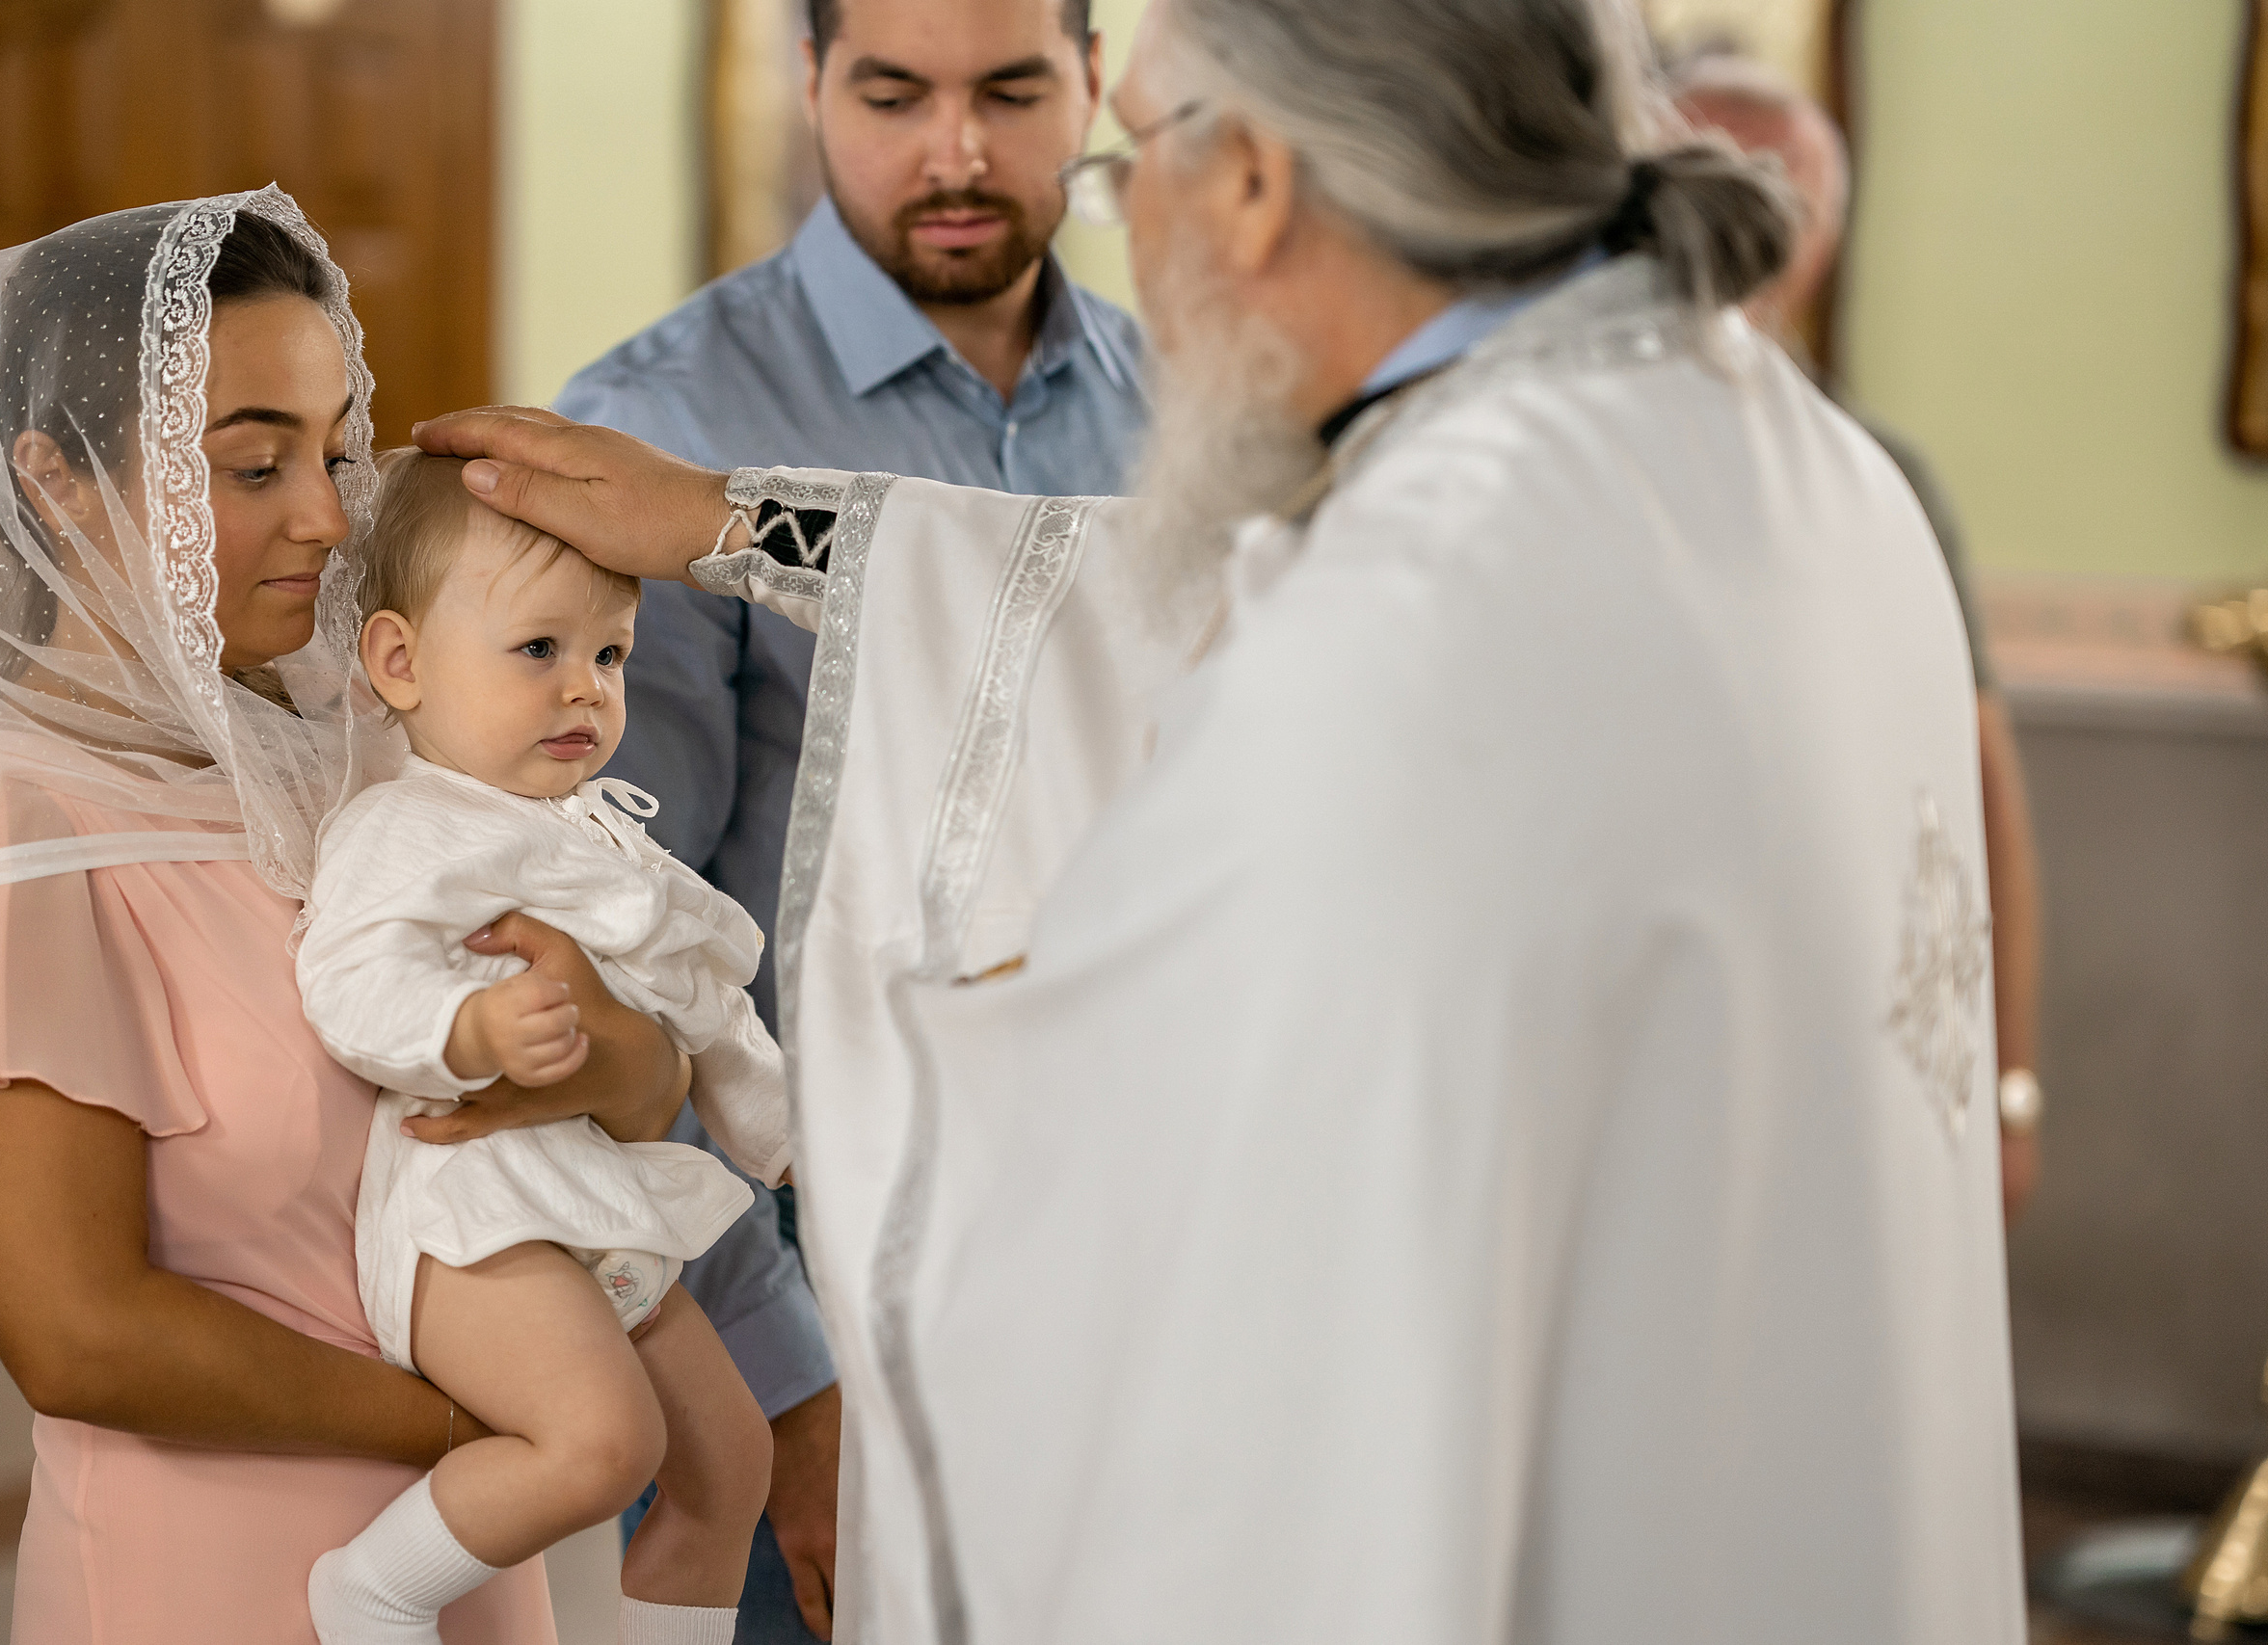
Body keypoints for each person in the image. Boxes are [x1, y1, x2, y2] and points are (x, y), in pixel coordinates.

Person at [420, 0, 2030, 1639]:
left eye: (1131, 165)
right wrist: (730, 521)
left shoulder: (1431, 576)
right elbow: (1154, 597)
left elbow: (1170, 1123)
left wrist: (950, 1044)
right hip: (1765, 1444)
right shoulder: (1790, 454)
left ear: (1251, 178)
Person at [0, 190, 689, 1642]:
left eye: (339, 442)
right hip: (214, 1570)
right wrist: (501, 1428)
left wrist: (613, 1052)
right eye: (252, 461)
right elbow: (79, 1330)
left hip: (466, 1547)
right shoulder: (14, 821)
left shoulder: (363, 747)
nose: (331, 512)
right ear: (58, 479)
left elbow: (624, 1093)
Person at [550, 0, 1144, 1633]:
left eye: (1015, 90)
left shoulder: (1187, 412)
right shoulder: (658, 434)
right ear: (809, 84)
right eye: (894, 92)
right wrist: (785, 1395)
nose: (955, 153)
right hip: (818, 1262)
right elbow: (621, 945)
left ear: (1095, 83)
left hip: (1128, 1246)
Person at [298, 451, 793, 1645]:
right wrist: (465, 1028)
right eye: (540, 651)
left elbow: (708, 999)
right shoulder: (407, 825)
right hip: (474, 1217)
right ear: (398, 662)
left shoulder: (601, 835)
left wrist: (786, 1142)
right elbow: (346, 978)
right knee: (602, 1446)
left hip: (598, 1203)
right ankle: (374, 1590)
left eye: (611, 656)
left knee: (730, 1462)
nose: (587, 691)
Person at [1673, 53, 2047, 1221]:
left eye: (1770, 195)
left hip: (1831, 1043)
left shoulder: (1880, 482)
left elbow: (1979, 802)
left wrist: (2009, 1087)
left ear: (1817, 240)